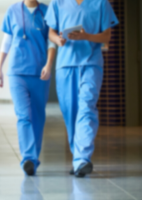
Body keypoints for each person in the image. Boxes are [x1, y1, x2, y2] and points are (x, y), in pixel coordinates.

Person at [45, 0, 119, 177]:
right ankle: (77, 157)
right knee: (70, 114)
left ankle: (82, 159)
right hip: (65, 66)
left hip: (91, 64)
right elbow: (51, 33)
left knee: (86, 108)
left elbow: (107, 36)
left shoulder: (101, 3)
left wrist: (87, 36)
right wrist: (59, 39)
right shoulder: (58, 3)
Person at [0, 0, 56, 176]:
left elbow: (51, 41)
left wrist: (49, 64)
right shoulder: (13, 10)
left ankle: (33, 159)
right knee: (23, 115)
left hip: (40, 72)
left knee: (38, 116)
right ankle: (28, 158)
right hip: (17, 72)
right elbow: (7, 41)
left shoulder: (47, 11)